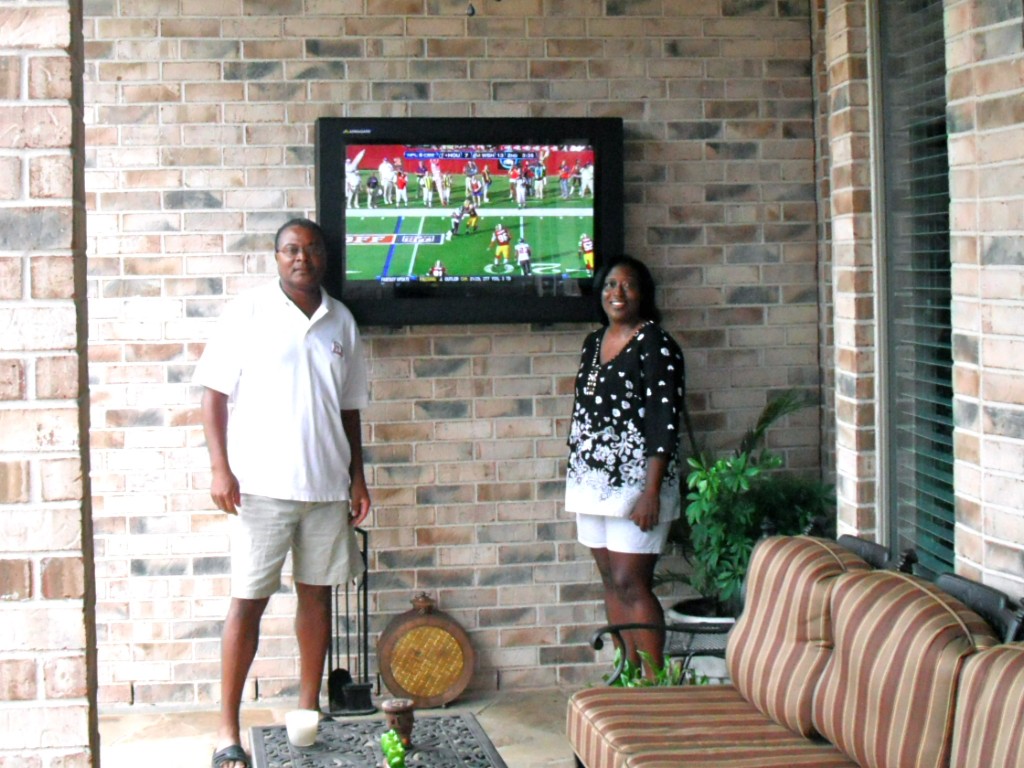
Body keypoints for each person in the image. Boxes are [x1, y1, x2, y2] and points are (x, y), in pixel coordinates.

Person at [195, 218, 371, 768]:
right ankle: (228, 730)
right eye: (291, 250)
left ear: (324, 257)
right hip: (260, 489)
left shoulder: (341, 320)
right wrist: (221, 469)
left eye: (311, 249)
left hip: (324, 488)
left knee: (316, 598)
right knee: (247, 602)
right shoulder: (247, 312)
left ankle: (306, 711)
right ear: (276, 257)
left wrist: (358, 477)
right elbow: (213, 395)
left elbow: (349, 410)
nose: (302, 258)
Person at [565, 255, 685, 677]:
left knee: (631, 580)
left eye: (627, 285)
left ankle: (654, 682)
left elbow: (663, 417)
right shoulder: (593, 342)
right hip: (590, 481)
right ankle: (626, 670)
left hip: (636, 484)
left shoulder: (656, 343)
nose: (617, 293)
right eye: (609, 285)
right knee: (610, 579)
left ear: (643, 294)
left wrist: (651, 491)